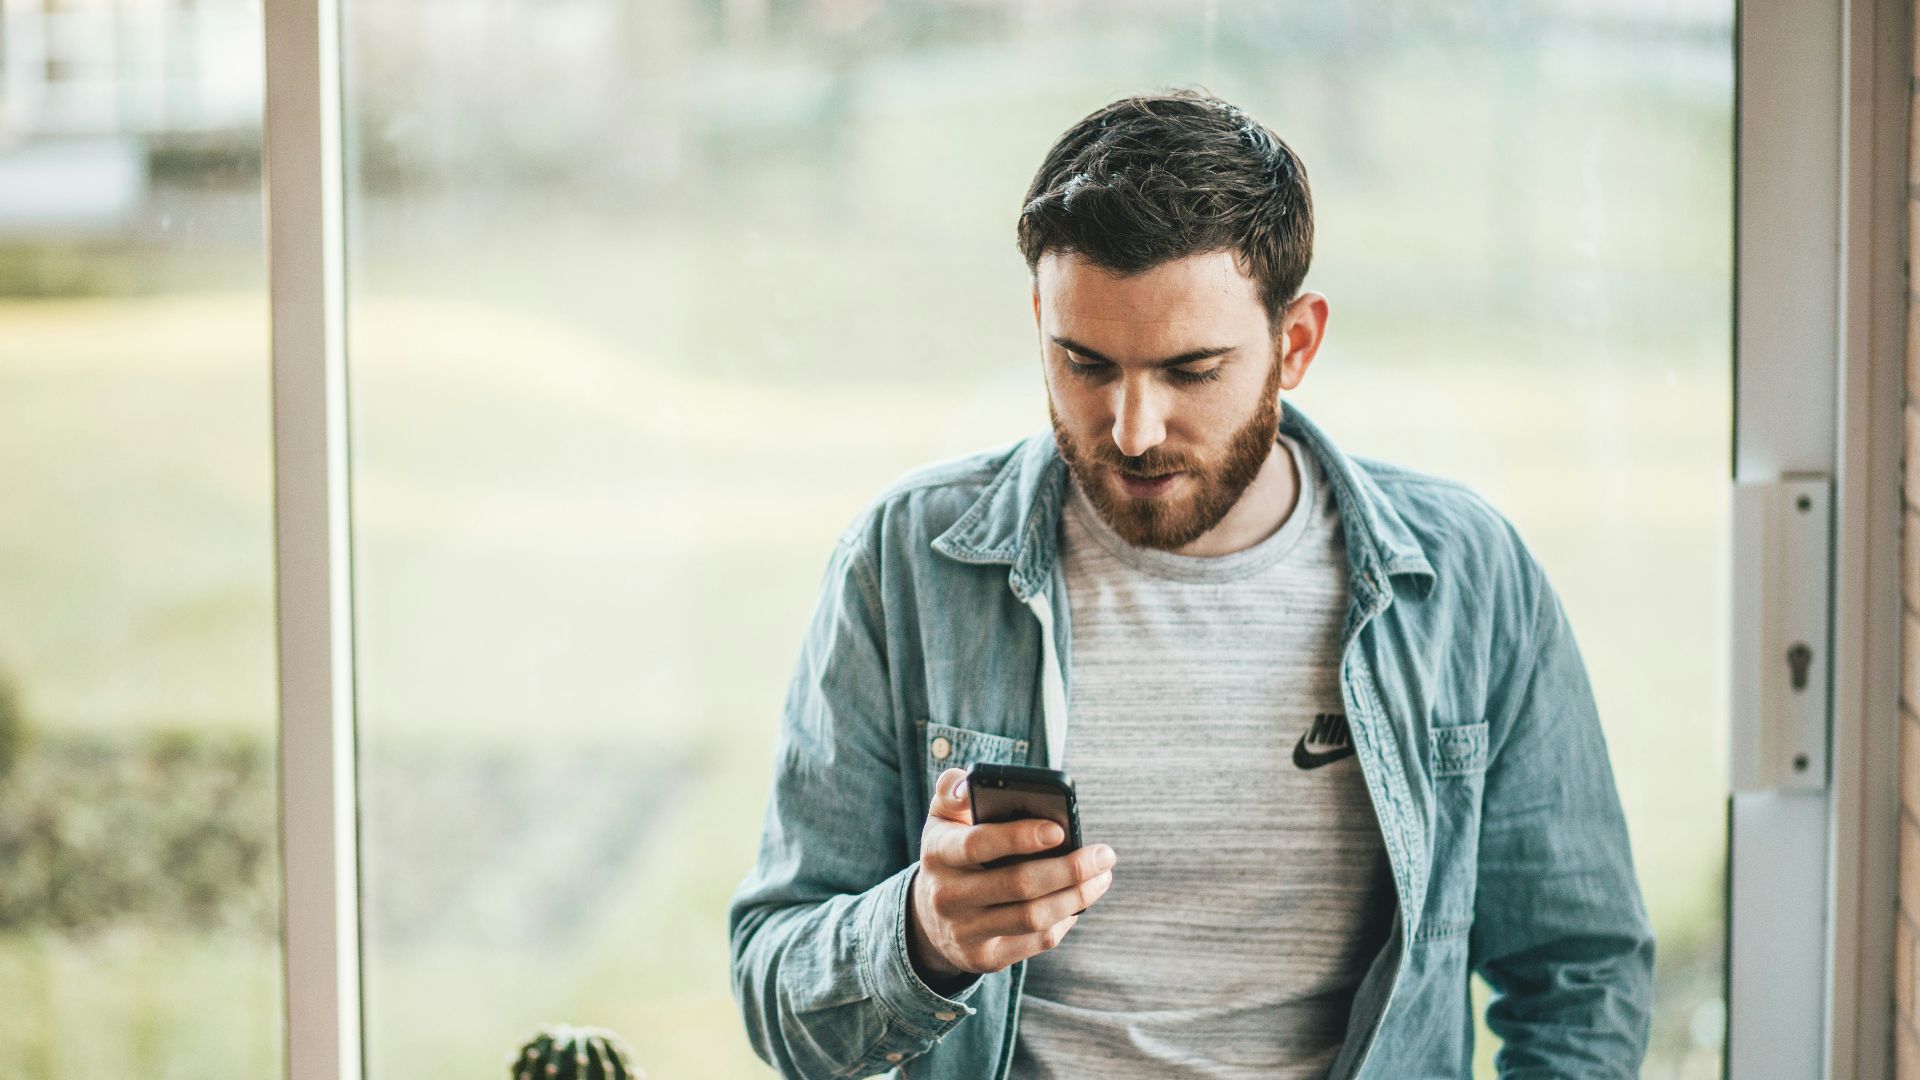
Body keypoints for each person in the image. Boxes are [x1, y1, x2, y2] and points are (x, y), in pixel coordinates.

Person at [728, 87, 1654, 1080]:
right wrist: (922, 936)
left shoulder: (1470, 579)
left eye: (1191, 371)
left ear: (1295, 343)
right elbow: (780, 999)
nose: (1130, 428)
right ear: (1039, 317)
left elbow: (1579, 974)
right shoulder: (906, 564)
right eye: (1084, 364)